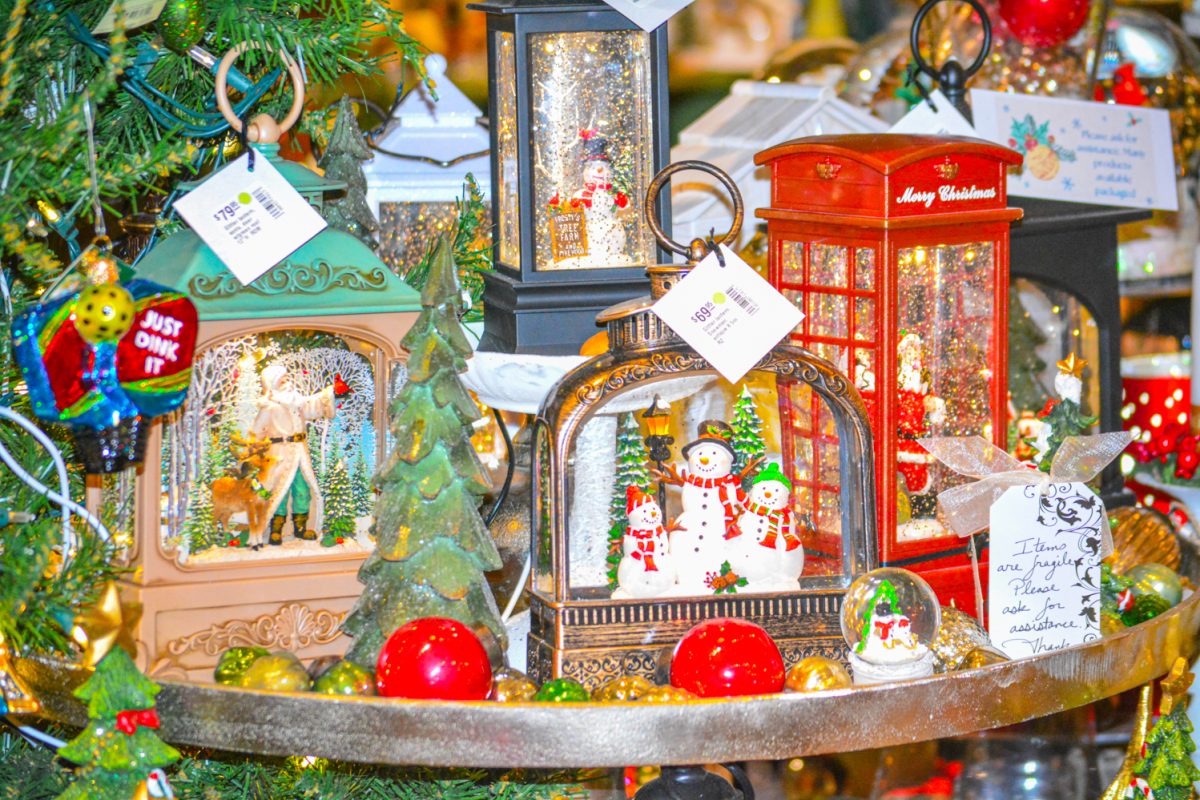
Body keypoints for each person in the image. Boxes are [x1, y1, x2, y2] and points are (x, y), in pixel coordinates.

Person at [250, 364, 346, 546]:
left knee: (302, 489)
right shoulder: (269, 408)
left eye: (288, 378)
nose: (288, 382)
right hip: (279, 454)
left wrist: (332, 392)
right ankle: (276, 529)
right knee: (280, 489)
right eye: (283, 380)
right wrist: (252, 454)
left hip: (300, 453)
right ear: (273, 384)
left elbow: (313, 405)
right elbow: (256, 432)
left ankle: (300, 527)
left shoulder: (297, 402)